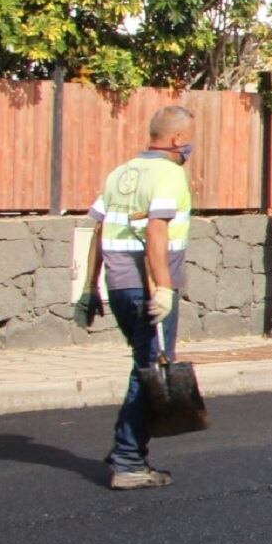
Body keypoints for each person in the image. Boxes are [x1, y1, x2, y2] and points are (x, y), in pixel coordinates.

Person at [76, 104, 196, 490]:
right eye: (189, 137)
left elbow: (97, 231)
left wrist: (89, 287)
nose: (190, 146)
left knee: (144, 364)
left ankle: (129, 451)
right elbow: (157, 232)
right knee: (153, 370)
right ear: (177, 139)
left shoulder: (121, 172)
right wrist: (162, 288)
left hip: (118, 284)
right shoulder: (169, 174)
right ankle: (127, 460)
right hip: (149, 287)